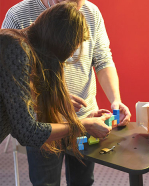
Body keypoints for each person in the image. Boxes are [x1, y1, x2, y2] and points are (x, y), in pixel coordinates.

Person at [2, 0, 131, 185]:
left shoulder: (90, 12)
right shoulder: (15, 45)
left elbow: (103, 59)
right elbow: (27, 130)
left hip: (80, 118)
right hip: (45, 124)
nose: (71, 57)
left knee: (83, 180)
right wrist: (78, 121)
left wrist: (113, 100)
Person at [0, 2, 103, 158]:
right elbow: (27, 133)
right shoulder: (16, 48)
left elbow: (17, 115)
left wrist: (59, 101)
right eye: (73, 47)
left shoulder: (20, 45)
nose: (71, 55)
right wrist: (83, 125)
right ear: (60, 42)